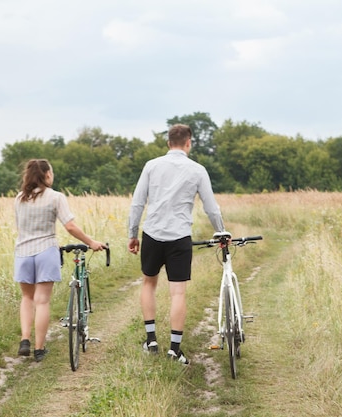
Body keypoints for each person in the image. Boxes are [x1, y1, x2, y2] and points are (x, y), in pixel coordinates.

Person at [127, 124, 226, 365]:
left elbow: (137, 203)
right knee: (178, 292)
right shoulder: (198, 170)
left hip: (152, 233)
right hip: (180, 236)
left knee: (149, 283)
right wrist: (221, 231)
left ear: (168, 142)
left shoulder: (151, 166)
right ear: (188, 142)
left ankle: (151, 341)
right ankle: (174, 349)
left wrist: (132, 233)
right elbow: (211, 207)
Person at [14, 158, 105, 362]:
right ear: (47, 175)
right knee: (42, 300)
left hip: (23, 252)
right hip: (46, 250)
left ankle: (25, 340)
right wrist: (91, 242)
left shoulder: (20, 198)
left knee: (27, 298)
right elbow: (70, 227)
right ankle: (39, 349)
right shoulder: (55, 197)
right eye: (51, 173)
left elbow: (20, 227)